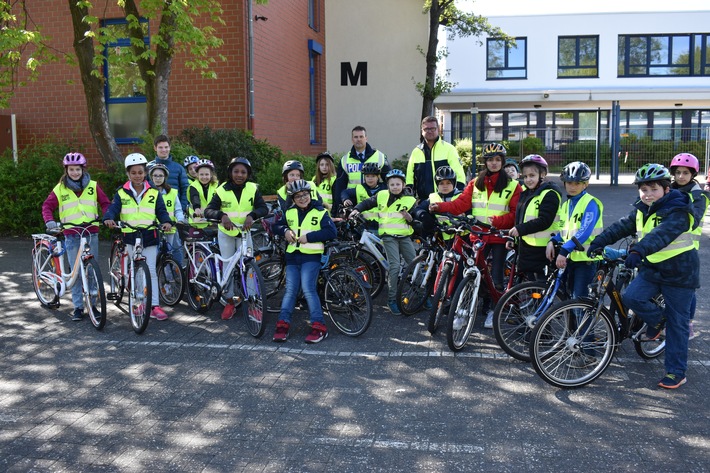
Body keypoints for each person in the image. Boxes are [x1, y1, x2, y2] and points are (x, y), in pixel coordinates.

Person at [588, 164, 698, 389]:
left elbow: (661, 234)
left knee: (677, 324)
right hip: (653, 270)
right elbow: (620, 227)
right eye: (644, 189)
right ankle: (658, 320)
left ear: (666, 189)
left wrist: (638, 250)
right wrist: (598, 242)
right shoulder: (642, 209)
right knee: (631, 297)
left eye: (653, 189)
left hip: (680, 273)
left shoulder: (679, 209)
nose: (648, 194)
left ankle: (676, 372)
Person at [429, 142, 521, 328]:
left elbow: (515, 214)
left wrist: (496, 221)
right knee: (470, 274)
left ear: (502, 162)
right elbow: (460, 204)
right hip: (478, 236)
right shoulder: (475, 183)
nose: (494, 163)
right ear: (484, 162)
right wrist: (439, 207)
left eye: (497, 160)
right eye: (490, 160)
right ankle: (463, 311)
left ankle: (494, 309)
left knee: (495, 277)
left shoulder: (513, 186)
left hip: (499, 237)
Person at [103, 153, 173, 321]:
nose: (137, 176)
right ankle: (138, 302)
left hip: (149, 235)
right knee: (134, 271)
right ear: (128, 174)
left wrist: (167, 221)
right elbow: (113, 208)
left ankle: (154, 305)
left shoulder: (154, 193)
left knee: (150, 271)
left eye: (140, 172)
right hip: (130, 236)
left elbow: (161, 211)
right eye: (133, 173)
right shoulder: (121, 193)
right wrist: (108, 218)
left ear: (145, 173)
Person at [42, 152, 111, 321]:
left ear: (83, 169)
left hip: (90, 232)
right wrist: (50, 220)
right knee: (76, 273)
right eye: (71, 169)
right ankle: (78, 307)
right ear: (66, 170)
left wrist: (107, 216)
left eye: (78, 169)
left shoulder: (93, 186)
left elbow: (105, 203)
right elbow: (47, 206)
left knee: (91, 270)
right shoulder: (60, 188)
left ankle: (92, 305)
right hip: (71, 234)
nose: (75, 172)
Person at [272, 180, 337, 344]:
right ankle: (282, 323)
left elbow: (331, 232)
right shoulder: (289, 212)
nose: (302, 198)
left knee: (308, 289)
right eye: (298, 196)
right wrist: (285, 230)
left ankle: (319, 326)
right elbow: (276, 226)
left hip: (311, 256)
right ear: (293, 199)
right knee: (290, 291)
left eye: (305, 194)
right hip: (293, 256)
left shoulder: (321, 212)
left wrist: (309, 237)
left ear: (310, 194)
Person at [204, 157, 269, 320]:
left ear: (248, 174)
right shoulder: (221, 190)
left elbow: (263, 208)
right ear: (230, 172)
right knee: (228, 266)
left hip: (245, 233)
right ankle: (229, 302)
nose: (239, 175)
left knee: (249, 267)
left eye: (243, 172)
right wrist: (221, 216)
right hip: (226, 233)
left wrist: (253, 215)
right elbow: (209, 210)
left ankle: (253, 302)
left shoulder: (253, 189)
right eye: (236, 171)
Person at [350, 169, 417, 315]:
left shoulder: (410, 200)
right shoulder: (381, 195)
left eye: (398, 184)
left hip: (404, 236)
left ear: (403, 185)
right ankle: (392, 300)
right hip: (388, 236)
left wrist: (410, 218)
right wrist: (356, 209)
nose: (395, 187)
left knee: (414, 263)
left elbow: (416, 218)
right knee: (394, 265)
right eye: (392, 184)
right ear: (387, 185)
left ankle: (419, 293)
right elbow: (367, 203)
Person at [546, 161, 603, 302]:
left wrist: (564, 250)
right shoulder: (565, 205)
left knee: (580, 302)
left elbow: (584, 231)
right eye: (569, 183)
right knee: (567, 301)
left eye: (577, 183)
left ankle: (585, 325)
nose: (572, 187)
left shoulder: (591, 203)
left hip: (587, 260)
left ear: (586, 184)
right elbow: (565, 232)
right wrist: (553, 241)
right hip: (571, 259)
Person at [669, 152, 709, 340]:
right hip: (665, 246)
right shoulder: (668, 189)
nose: (681, 176)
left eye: (685, 172)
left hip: (687, 248)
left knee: (688, 289)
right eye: (677, 172)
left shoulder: (698, 194)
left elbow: (696, 216)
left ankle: (688, 323)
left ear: (693, 174)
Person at [507, 155, 561, 281]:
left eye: (532, 175)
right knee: (530, 288)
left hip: (543, 250)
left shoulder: (550, 193)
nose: (528, 180)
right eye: (525, 176)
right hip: (527, 247)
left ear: (542, 174)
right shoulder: (526, 192)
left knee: (541, 287)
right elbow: (520, 218)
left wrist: (520, 229)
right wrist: (514, 239)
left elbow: (544, 221)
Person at [406, 116, 466, 201]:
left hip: (446, 199)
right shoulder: (416, 152)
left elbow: (459, 173)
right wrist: (409, 195)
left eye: (433, 128)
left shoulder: (449, 149)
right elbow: (409, 178)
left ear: (438, 129)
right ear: (422, 131)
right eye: (426, 129)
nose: (430, 131)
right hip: (423, 201)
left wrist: (458, 194)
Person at [332, 125, 391, 213]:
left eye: (361, 136)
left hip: (375, 201)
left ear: (366, 138)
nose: (358, 139)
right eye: (356, 137)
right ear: (352, 139)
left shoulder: (379, 157)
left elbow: (390, 180)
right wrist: (337, 207)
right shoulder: (345, 160)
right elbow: (339, 186)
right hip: (353, 202)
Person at [150, 135, 189, 266]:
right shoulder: (149, 168)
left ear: (170, 148)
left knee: (176, 249)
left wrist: (181, 210)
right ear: (155, 148)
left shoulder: (178, 168)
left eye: (166, 147)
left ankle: (178, 275)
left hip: (173, 218)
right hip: (154, 219)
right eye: (160, 147)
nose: (164, 150)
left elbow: (185, 189)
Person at [412, 165, 463, 242]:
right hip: (440, 238)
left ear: (454, 183)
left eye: (448, 183)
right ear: (437, 184)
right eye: (441, 183)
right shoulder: (433, 197)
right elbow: (417, 210)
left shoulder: (462, 197)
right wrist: (425, 216)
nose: (445, 186)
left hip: (461, 237)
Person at [148, 163, 186, 259]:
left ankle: (176, 272)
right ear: (151, 177)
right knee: (154, 255)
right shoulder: (147, 192)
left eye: (161, 176)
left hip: (170, 228)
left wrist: (180, 220)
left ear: (165, 177)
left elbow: (178, 209)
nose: (158, 178)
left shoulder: (172, 192)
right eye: (155, 176)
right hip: (153, 229)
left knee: (173, 253)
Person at [340, 162, 386, 232]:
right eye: (367, 176)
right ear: (364, 177)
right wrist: (345, 199)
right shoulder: (360, 188)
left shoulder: (385, 189)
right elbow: (344, 192)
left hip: (381, 224)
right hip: (364, 225)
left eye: (373, 176)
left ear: (378, 177)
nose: (370, 179)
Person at [188, 159, 219, 229]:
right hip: (197, 222)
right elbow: (194, 197)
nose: (204, 177)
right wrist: (197, 208)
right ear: (197, 175)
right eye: (201, 174)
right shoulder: (194, 186)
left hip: (214, 222)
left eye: (207, 174)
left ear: (211, 175)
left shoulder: (217, 185)